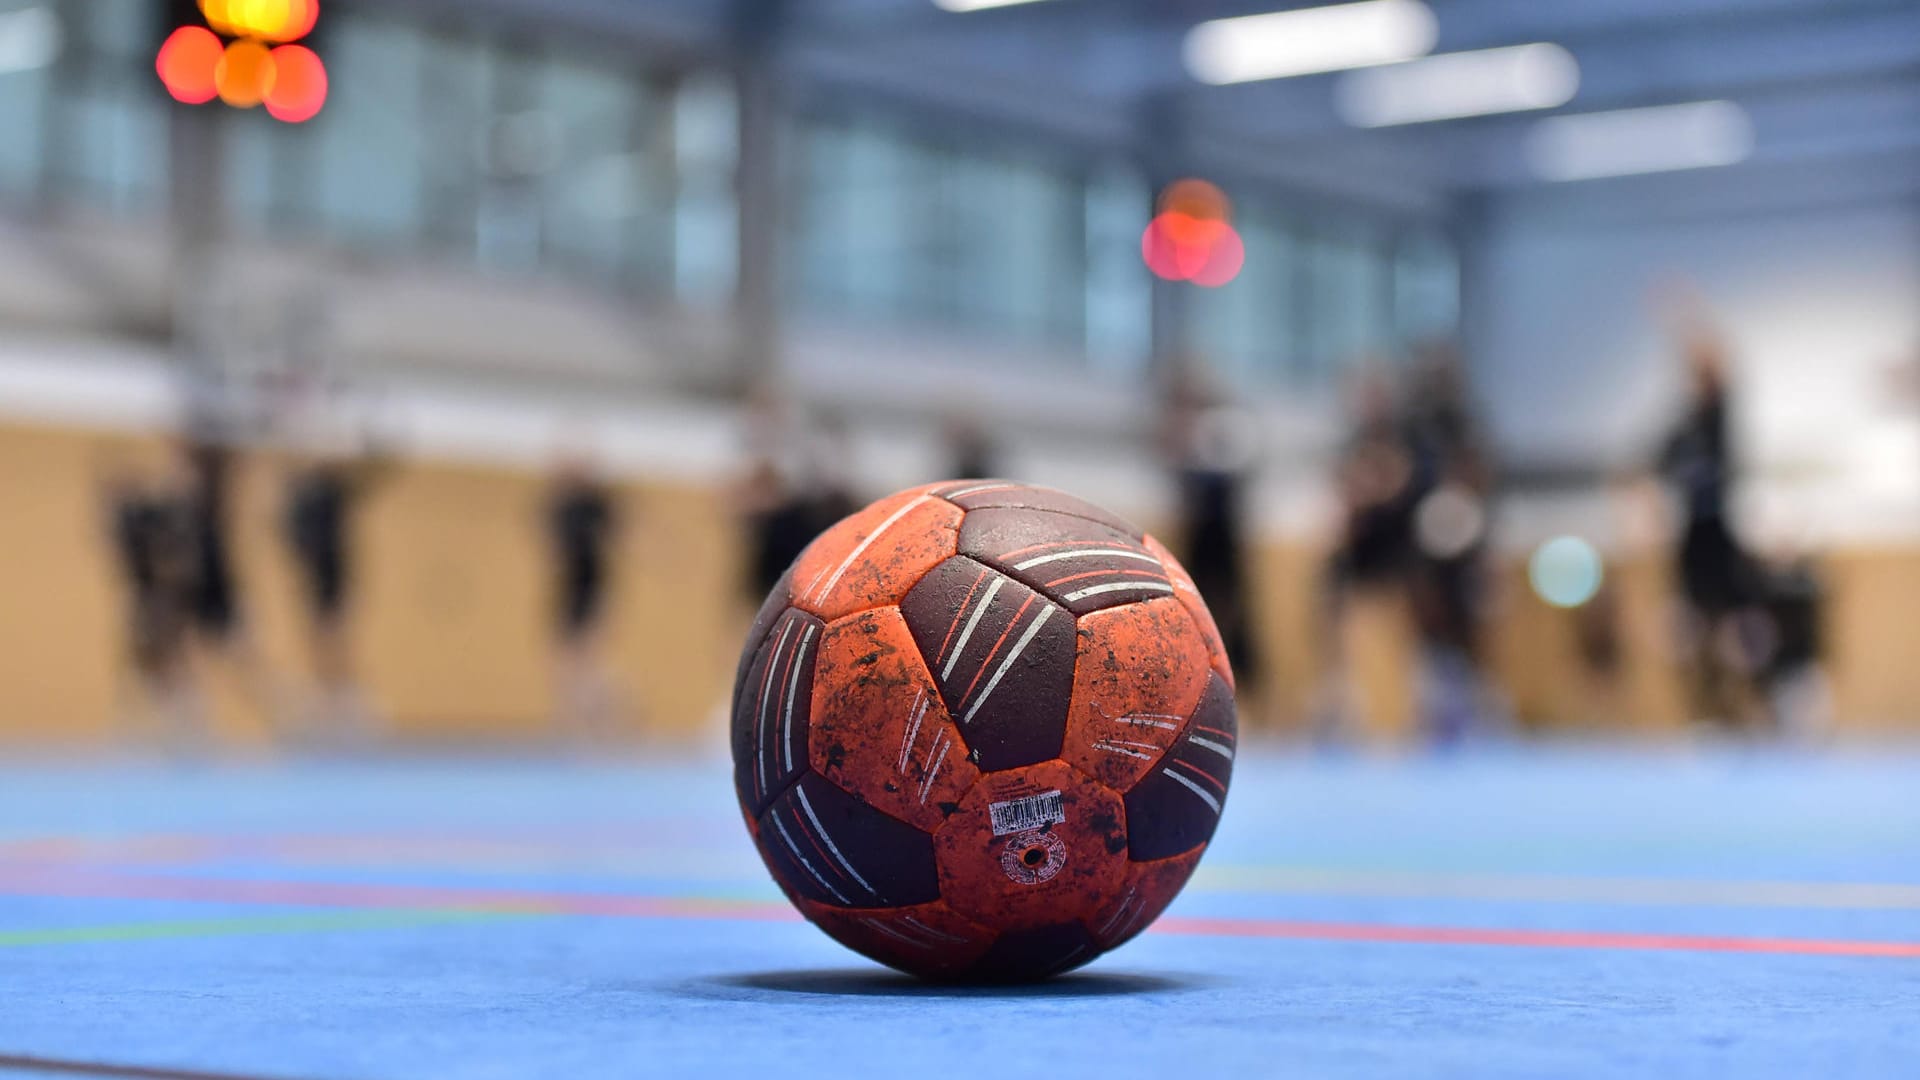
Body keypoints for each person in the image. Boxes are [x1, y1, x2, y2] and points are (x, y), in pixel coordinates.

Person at [1653, 293, 1766, 728]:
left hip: (1718, 527)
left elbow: (1717, 356)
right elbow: (1650, 468)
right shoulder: (1680, 426)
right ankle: (1704, 711)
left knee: (1738, 625)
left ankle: (1753, 704)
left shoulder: (1717, 415)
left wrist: (1685, 318)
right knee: (1686, 627)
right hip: (1691, 534)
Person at [1159, 361, 1263, 697]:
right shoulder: (1186, 431)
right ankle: (1193, 684)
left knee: (1233, 616)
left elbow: (1239, 476)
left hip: (1225, 537)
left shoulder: (1225, 426)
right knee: (1192, 611)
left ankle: (1244, 688)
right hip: (1199, 537)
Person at [282, 432, 389, 742]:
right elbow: (291, 533)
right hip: (314, 579)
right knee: (318, 643)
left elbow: (371, 475)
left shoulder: (336, 491)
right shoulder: (301, 495)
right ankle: (326, 708)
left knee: (339, 643)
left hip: (337, 577)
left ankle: (351, 707)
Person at [101, 451, 204, 746]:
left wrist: (165, 596)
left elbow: (174, 562)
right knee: (140, 659)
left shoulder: (158, 515)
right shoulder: (128, 518)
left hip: (160, 597)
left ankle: (185, 721)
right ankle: (146, 722)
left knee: (169, 658)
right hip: (143, 595)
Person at [547, 451, 623, 741]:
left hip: (593, 587)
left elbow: (617, 538)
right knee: (565, 661)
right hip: (568, 588)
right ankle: (571, 724)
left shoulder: (596, 504)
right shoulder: (561, 507)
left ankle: (607, 721)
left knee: (591, 661)